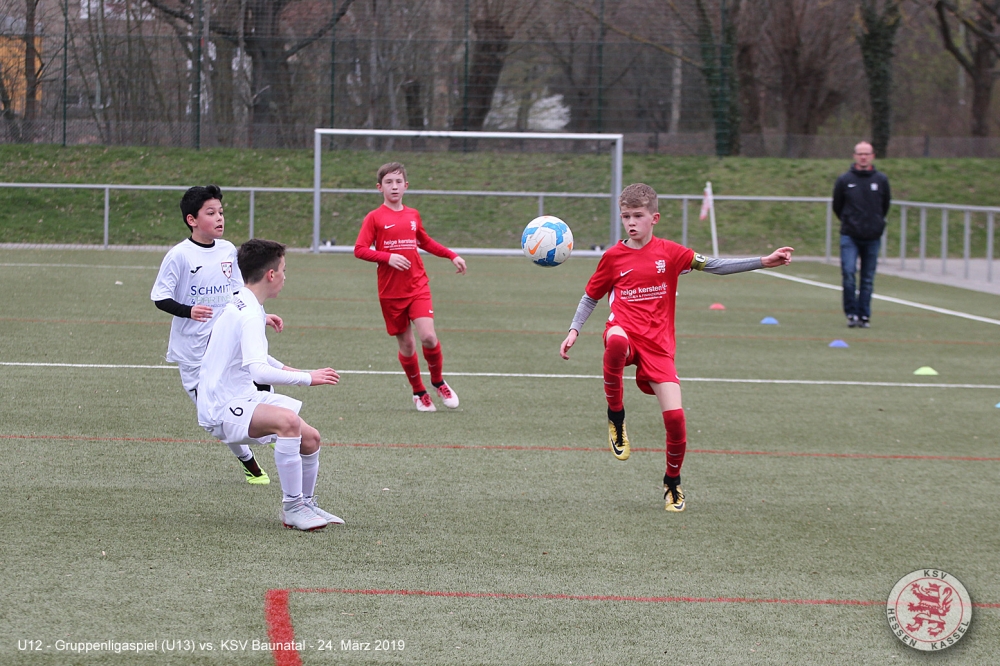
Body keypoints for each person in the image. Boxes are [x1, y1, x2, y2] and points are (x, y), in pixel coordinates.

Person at [559, 183, 794, 512]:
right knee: (616, 341)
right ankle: (616, 416)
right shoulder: (612, 257)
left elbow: (714, 265)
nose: (631, 222)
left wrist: (763, 261)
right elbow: (590, 297)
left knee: (676, 419)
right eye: (625, 216)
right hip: (625, 331)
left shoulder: (670, 253)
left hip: (659, 347)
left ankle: (672, 482)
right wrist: (574, 330)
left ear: (654, 218)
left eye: (637, 215)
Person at [197, 239, 343, 531]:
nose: (285, 277)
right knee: (288, 422)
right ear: (271, 274)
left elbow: (255, 355)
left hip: (242, 396)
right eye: (284, 270)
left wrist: (293, 369)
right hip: (221, 406)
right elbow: (259, 371)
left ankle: (306, 504)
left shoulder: (243, 301)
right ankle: (292, 508)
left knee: (310, 438)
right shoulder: (250, 313)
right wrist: (306, 378)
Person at [150, 184, 283, 485]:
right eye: (211, 213)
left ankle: (275, 429)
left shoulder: (227, 250)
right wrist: (188, 310)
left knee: (257, 379)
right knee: (215, 417)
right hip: (194, 352)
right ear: (192, 220)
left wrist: (260, 316)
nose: (219, 218)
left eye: (221, 212)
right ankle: (248, 462)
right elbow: (160, 297)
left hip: (226, 342)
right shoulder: (179, 256)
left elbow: (240, 293)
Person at [354, 162, 467, 412]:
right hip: (391, 292)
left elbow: (424, 241)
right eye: (388, 182)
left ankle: (438, 382)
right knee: (407, 345)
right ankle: (419, 392)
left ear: (406, 186)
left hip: (417, 285)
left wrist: (451, 255)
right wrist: (387, 257)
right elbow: (359, 249)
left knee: (428, 337)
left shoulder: (413, 215)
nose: (394, 186)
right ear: (380, 187)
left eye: (398, 182)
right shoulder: (374, 218)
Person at [833, 141, 891, 328]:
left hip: (872, 236)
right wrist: (850, 221)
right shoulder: (845, 180)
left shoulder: (881, 180)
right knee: (849, 273)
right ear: (855, 156)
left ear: (873, 156)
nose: (863, 157)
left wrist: (876, 224)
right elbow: (837, 206)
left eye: (867, 153)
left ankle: (864, 315)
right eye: (860, 154)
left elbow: (885, 205)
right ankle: (851, 313)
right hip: (850, 235)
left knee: (867, 278)